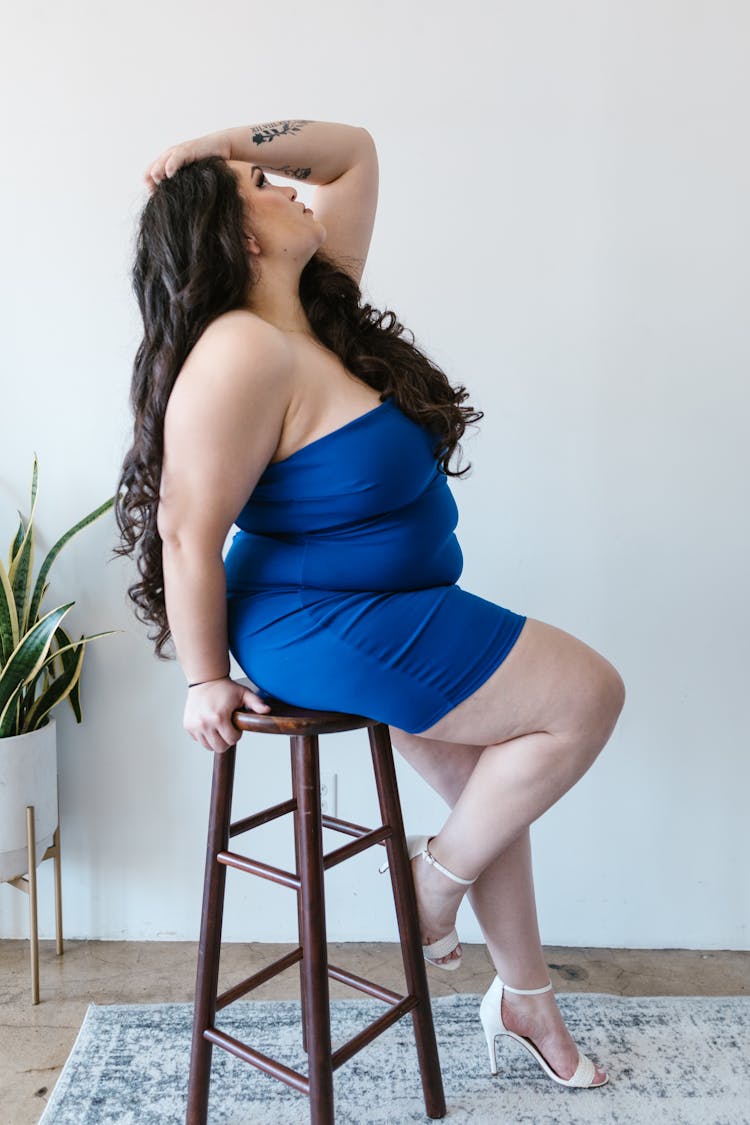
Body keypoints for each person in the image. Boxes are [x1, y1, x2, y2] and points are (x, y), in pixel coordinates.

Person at [115, 118, 625, 1091]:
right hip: (326, 623)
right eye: (265, 186)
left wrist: (210, 144)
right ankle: (430, 883)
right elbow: (187, 527)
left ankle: (525, 1002)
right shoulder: (240, 349)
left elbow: (349, 150)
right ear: (245, 236)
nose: (293, 189)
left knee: (489, 790)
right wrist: (202, 679)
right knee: (588, 695)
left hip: (387, 606)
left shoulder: (313, 309)